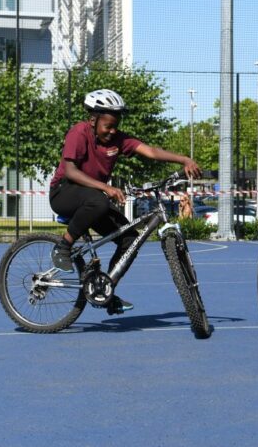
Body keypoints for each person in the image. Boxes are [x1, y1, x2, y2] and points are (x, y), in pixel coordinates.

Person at [49, 89, 201, 314]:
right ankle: (63, 247)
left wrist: (184, 159)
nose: (111, 131)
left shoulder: (118, 139)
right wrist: (106, 187)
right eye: (107, 126)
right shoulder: (78, 133)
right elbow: (70, 171)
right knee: (99, 202)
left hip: (93, 199)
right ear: (93, 120)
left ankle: (105, 290)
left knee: (130, 239)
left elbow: (149, 151)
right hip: (64, 192)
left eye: (115, 126)